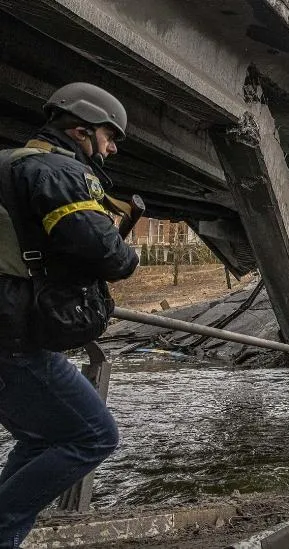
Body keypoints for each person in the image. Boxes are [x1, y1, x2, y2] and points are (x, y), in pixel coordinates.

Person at [0, 82, 138, 548]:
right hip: (12, 334)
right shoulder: (58, 171)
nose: (112, 148)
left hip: (10, 328)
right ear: (81, 131)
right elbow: (105, 252)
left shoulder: (8, 164)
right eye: (109, 136)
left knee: (42, 438)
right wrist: (129, 254)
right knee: (93, 434)